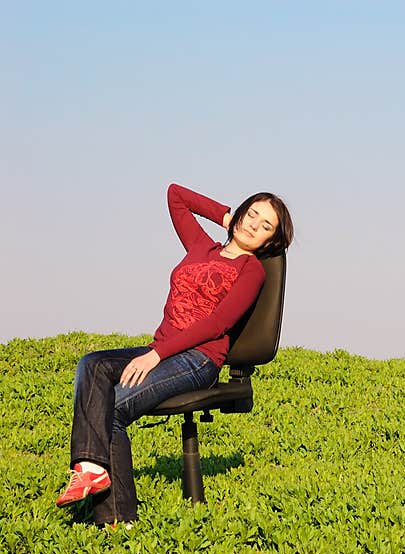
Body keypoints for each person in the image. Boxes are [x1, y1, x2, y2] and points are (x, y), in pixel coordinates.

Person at [55, 182, 294, 527]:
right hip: (163, 349)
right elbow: (175, 195)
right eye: (252, 213)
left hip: (198, 359)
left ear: (270, 241)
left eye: (265, 225)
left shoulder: (251, 270)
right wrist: (225, 216)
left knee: (113, 407)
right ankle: (92, 469)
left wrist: (156, 355)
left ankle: (118, 520)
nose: (254, 224)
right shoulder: (200, 246)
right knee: (92, 364)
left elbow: (217, 323)